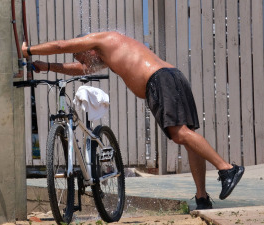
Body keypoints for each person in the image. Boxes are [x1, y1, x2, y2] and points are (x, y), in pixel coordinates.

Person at [22, 31, 245, 210]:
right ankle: (202, 197)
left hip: (159, 81)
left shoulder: (101, 39)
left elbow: (61, 46)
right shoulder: (109, 50)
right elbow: (80, 69)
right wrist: (48, 67)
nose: (87, 64)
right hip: (171, 76)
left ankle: (227, 169)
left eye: (84, 57)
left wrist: (29, 50)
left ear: (86, 47)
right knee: (188, 136)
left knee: (179, 134)